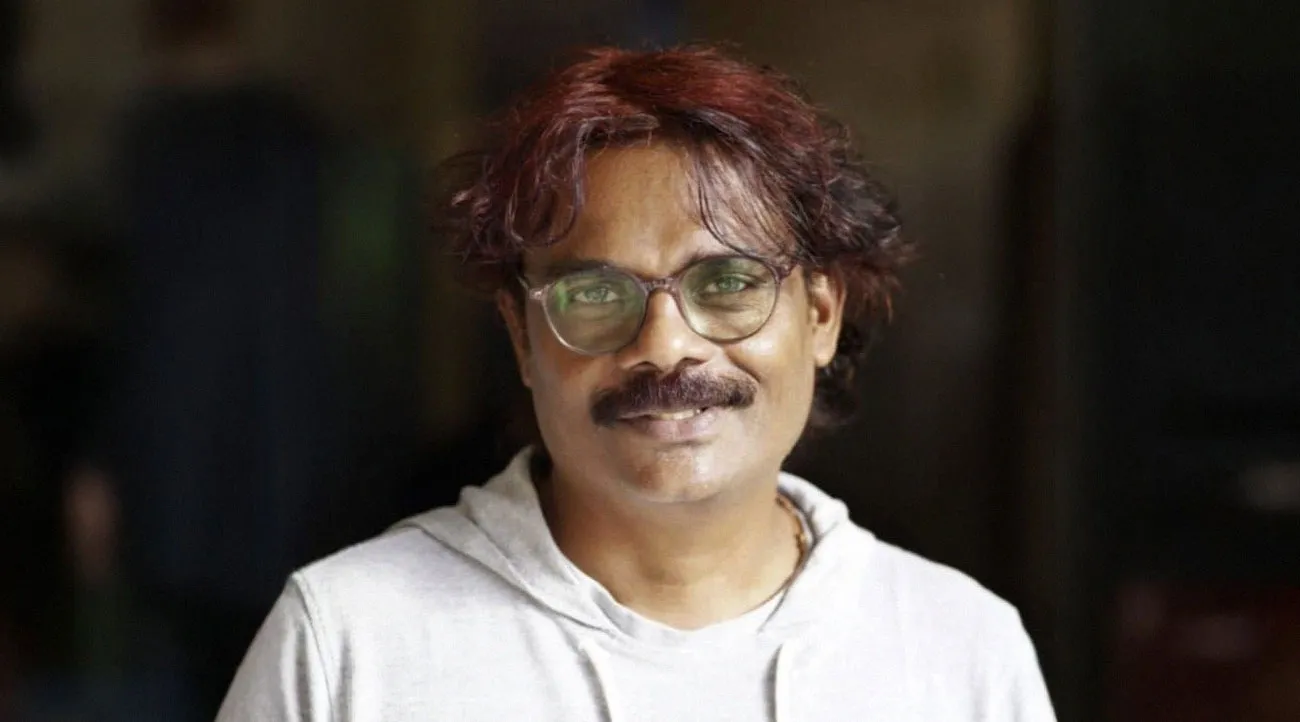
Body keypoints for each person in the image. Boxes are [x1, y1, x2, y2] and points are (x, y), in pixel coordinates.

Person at [218, 45, 1057, 721]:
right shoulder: (348, 645)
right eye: (594, 295)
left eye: (727, 283)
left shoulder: (957, 652)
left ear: (821, 314)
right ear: (521, 336)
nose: (665, 346)